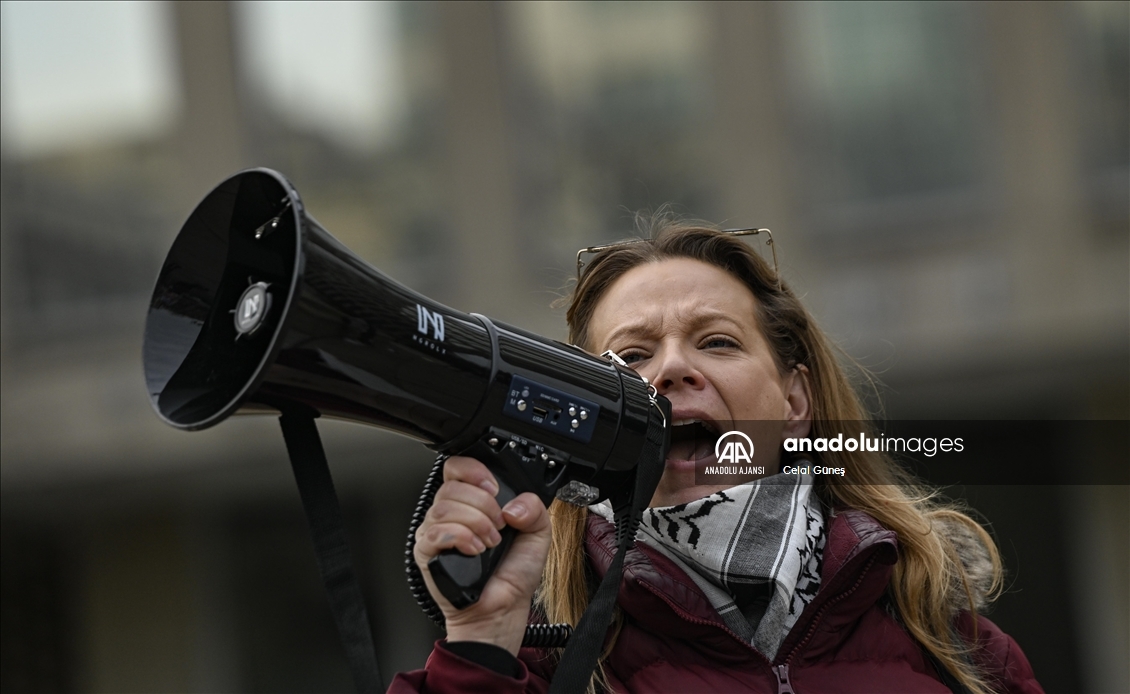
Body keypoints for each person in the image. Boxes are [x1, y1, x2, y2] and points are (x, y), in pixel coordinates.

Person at [390, 221, 1043, 693]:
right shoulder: (533, 666)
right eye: (632, 357)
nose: (672, 368)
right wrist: (480, 648)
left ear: (794, 401)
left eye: (718, 342)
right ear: (588, 415)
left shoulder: (957, 650)